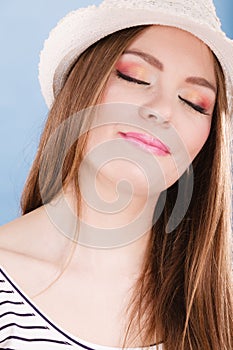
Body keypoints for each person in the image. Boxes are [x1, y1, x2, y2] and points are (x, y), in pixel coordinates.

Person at [0, 0, 232, 349]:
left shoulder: (216, 312)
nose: (162, 110)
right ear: (83, 87)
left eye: (194, 102)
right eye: (134, 77)